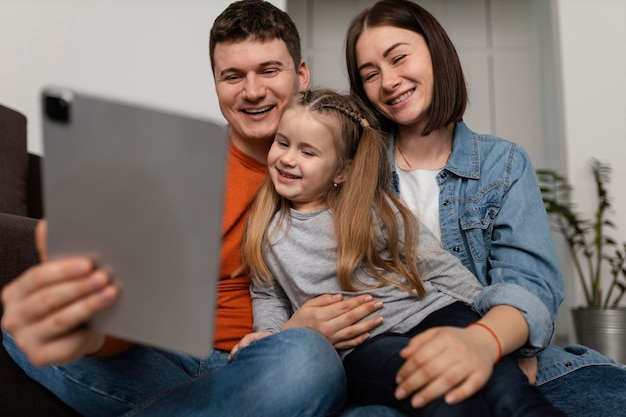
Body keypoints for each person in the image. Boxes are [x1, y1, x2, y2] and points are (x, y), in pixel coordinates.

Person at [1, 2, 354, 416]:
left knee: (312, 362)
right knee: (20, 326)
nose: (253, 91)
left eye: (269, 70)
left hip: (273, 360)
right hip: (167, 361)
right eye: (233, 76)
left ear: (302, 75)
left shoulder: (344, 162)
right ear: (216, 84)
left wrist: (288, 337)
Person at [344, 0, 626, 416]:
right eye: (370, 74)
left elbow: (531, 286)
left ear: (436, 51)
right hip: (395, 365)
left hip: (504, 352)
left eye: (399, 57)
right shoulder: (351, 171)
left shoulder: (504, 164)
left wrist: (484, 343)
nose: (388, 81)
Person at [232, 87, 565, 417]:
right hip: (365, 347)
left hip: (440, 313)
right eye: (283, 143)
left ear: (341, 171)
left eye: (308, 152)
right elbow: (268, 294)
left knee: (511, 392)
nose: (288, 158)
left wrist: (495, 323)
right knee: (439, 392)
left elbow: (437, 267)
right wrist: (270, 338)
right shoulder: (265, 227)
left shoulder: (370, 209)